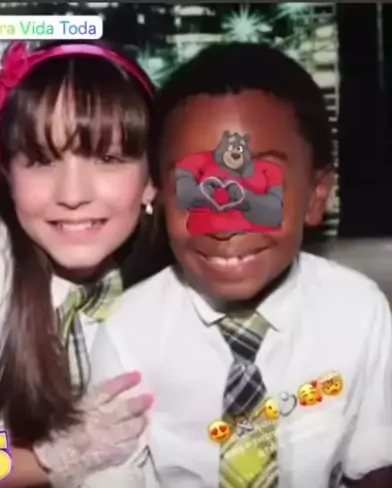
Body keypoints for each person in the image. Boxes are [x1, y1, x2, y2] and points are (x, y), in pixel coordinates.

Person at [103, 43, 392, 488]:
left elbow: (374, 460)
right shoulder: (126, 331)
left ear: (316, 194)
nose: (225, 224)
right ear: (159, 196)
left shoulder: (359, 310)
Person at [0, 40, 171, 487]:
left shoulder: (166, 284)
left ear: (152, 180)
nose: (72, 194)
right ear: (7, 173)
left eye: (107, 159)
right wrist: (41, 461)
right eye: (41, 160)